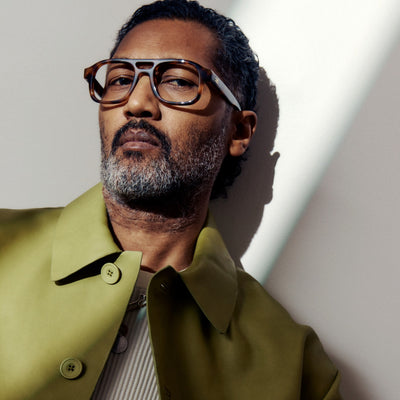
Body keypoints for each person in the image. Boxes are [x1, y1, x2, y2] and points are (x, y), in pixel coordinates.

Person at [0, 0, 342, 399]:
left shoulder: (293, 367)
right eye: (120, 79)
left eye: (177, 81)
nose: (136, 103)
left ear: (238, 131)